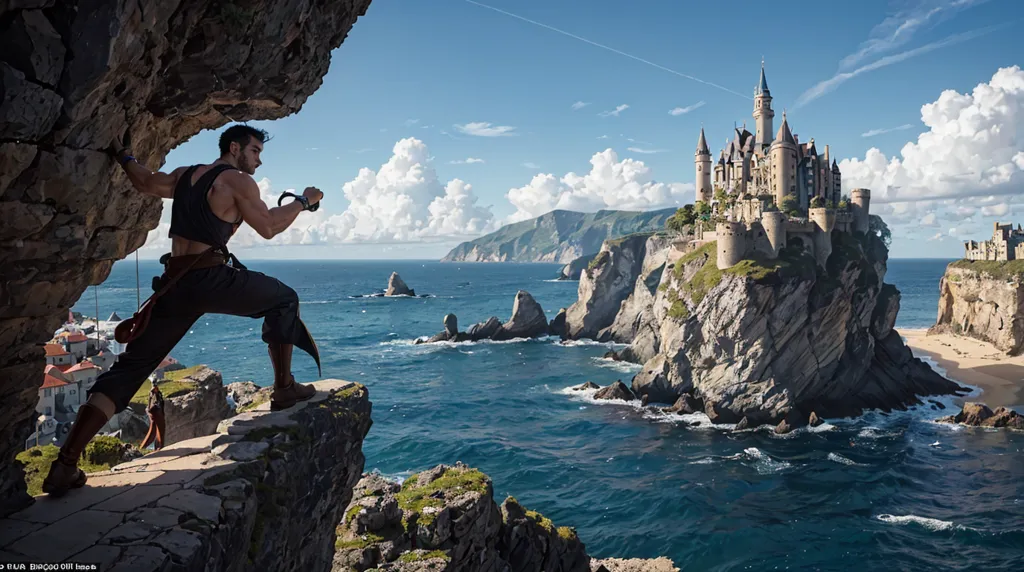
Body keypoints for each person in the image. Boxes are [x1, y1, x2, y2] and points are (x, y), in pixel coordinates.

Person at [42, 124, 323, 497]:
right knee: (284, 298)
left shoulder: (184, 175)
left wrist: (123, 156)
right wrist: (303, 201)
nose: (258, 159)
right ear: (235, 148)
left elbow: (144, 181)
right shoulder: (238, 181)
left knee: (132, 368)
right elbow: (269, 226)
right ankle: (284, 388)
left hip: (176, 282)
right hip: (210, 278)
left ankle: (65, 464)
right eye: (255, 151)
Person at [140, 384, 166, 451]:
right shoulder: (154, 395)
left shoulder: (156, 395)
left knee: (156, 431)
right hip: (156, 413)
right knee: (159, 431)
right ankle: (159, 447)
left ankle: (144, 448)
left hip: (155, 412)